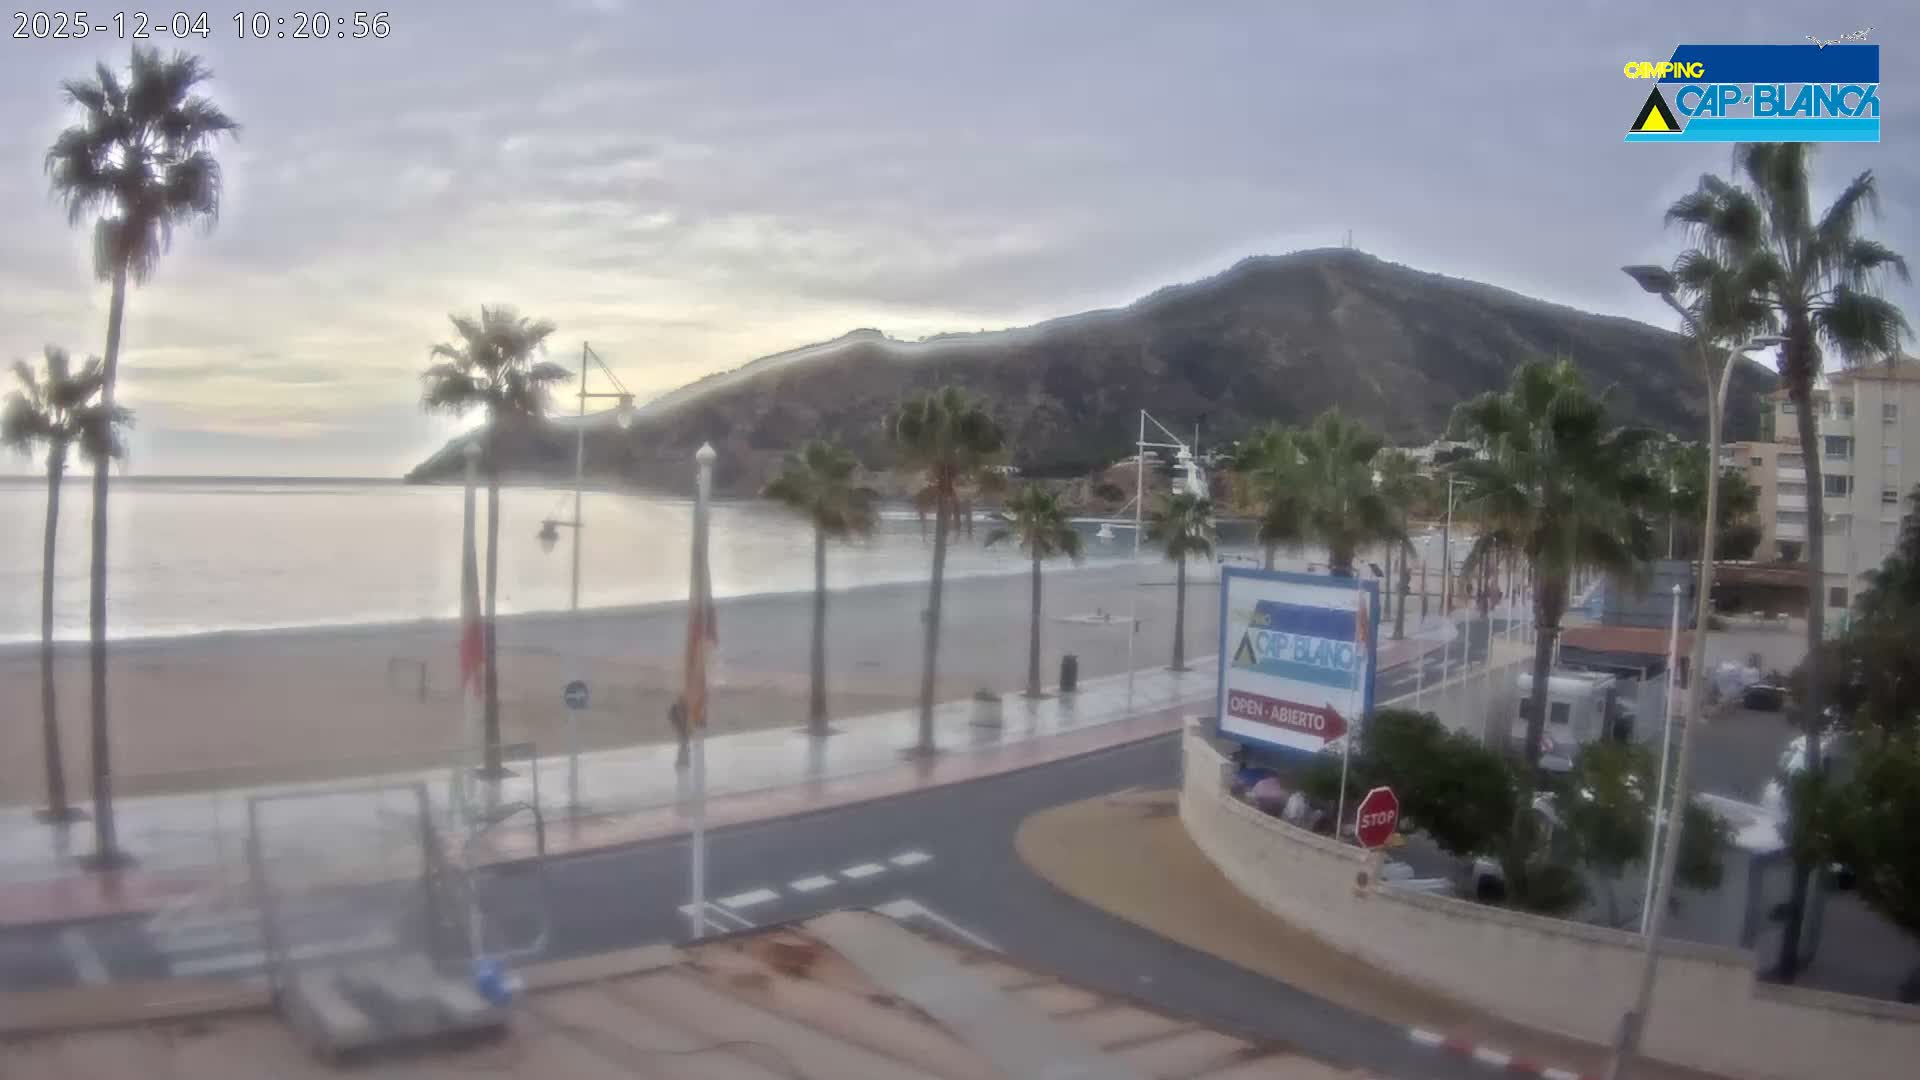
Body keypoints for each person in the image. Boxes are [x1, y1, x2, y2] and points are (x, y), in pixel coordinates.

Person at [669, 696, 690, 769]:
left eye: (682, 700)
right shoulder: (674, 707)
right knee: (682, 741)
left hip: (684, 726)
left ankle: (685, 754)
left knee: (685, 741)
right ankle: (683, 753)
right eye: (680, 699)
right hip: (679, 727)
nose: (681, 701)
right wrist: (675, 723)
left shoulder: (684, 706)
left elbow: (688, 716)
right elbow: (671, 716)